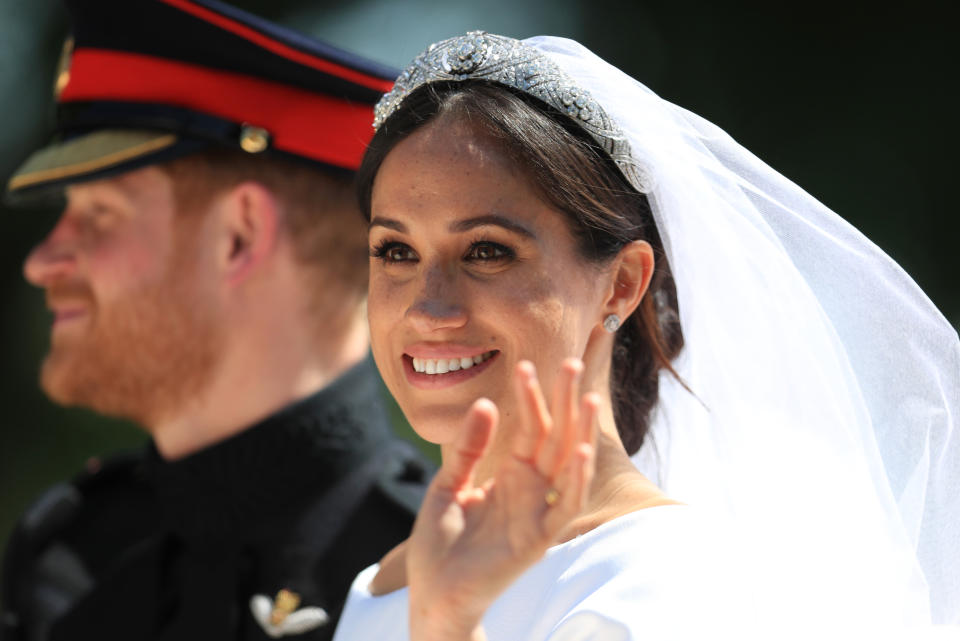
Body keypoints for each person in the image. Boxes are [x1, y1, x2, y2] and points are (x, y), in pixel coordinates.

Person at [329, 32, 960, 640]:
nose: (429, 308)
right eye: (395, 251)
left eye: (488, 251)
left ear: (622, 284)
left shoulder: (662, 579)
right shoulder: (381, 584)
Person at [0, 1, 432, 640]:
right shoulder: (66, 553)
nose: (42, 261)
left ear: (238, 235)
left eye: (99, 214)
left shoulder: (441, 575)